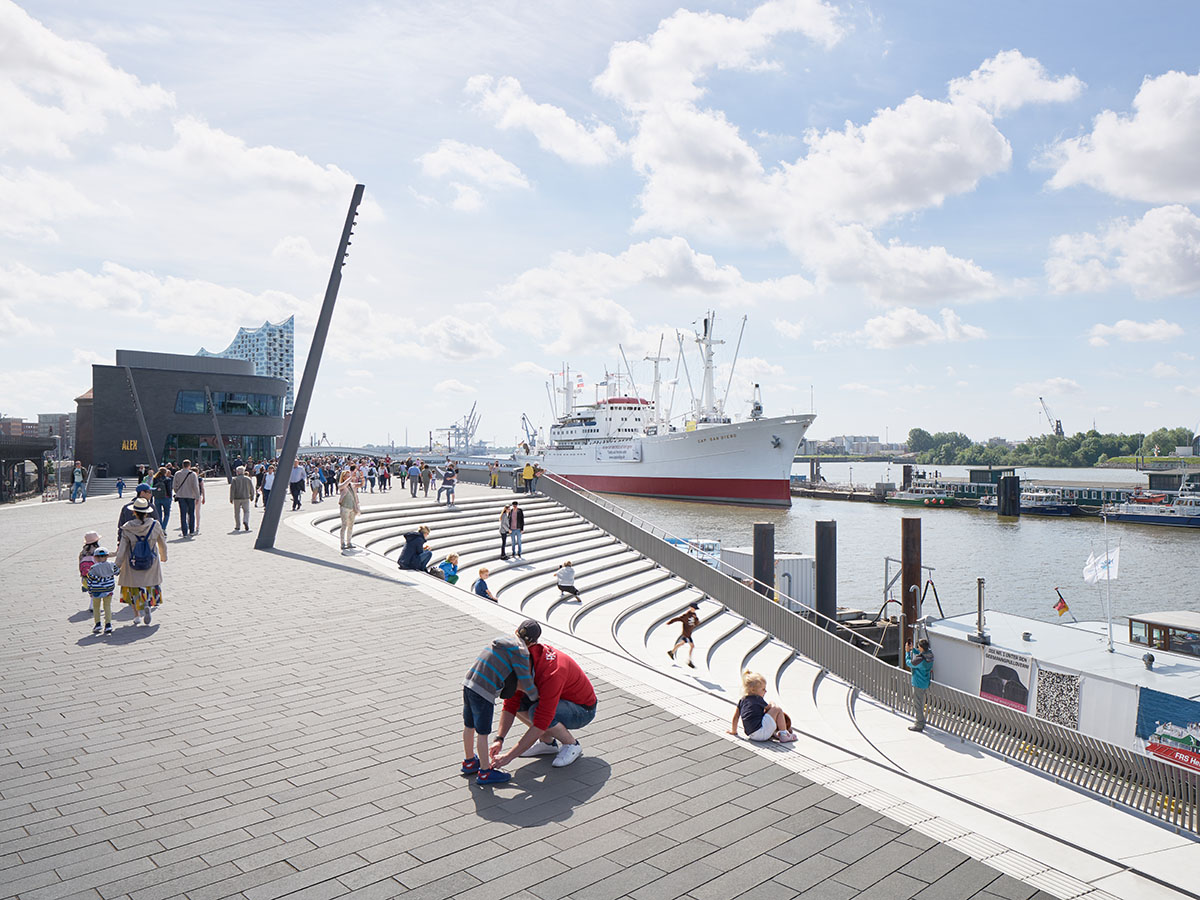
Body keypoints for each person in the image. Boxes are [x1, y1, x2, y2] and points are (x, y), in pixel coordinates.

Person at [490, 619, 597, 770]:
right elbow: (510, 704)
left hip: (583, 710)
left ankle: (571, 745)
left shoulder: (551, 673)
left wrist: (509, 757)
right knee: (520, 703)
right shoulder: (522, 663)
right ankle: (547, 743)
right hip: (559, 700)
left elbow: (542, 721)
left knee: (537, 713)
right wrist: (499, 739)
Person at [461, 632, 539, 785]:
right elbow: (524, 679)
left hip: (468, 682)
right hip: (484, 691)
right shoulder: (521, 651)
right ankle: (485, 772)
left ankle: (469, 762)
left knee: (469, 725)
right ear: (532, 641)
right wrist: (535, 696)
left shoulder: (501, 640)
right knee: (482, 733)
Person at [115, 496, 168, 626]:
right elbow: (162, 543)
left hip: (132, 561)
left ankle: (137, 615)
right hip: (150, 560)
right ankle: (148, 605)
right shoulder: (155, 525)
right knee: (149, 584)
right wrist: (163, 556)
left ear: (134, 512)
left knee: (133, 588)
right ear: (147, 512)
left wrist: (117, 565)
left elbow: (122, 549)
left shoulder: (127, 528)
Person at [729, 670, 797, 743]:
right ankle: (784, 734)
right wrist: (772, 703)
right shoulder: (758, 699)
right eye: (763, 689)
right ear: (753, 690)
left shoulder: (742, 700)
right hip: (761, 733)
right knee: (777, 709)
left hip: (751, 734)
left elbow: (736, 717)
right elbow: (770, 709)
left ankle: (774, 732)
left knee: (765, 714)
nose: (765, 691)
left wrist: (734, 731)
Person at [86, 547, 118, 635]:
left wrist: (90, 591)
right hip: (108, 589)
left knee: (96, 607)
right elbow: (117, 572)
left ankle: (98, 624)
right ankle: (108, 624)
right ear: (107, 556)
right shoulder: (111, 564)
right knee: (107, 606)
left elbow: (90, 580)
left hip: (97, 590)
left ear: (95, 557)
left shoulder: (93, 568)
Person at [905, 638, 934, 732]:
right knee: (921, 702)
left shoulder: (920, 659)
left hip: (918, 683)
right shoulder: (930, 655)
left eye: (918, 647)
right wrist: (913, 649)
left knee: (917, 704)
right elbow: (921, 653)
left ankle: (919, 724)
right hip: (925, 682)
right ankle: (922, 721)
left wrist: (907, 653)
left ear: (921, 647)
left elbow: (909, 663)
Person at [173, 459, 203, 538]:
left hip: (181, 496)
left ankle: (184, 532)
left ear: (182, 465)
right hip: (191, 496)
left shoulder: (177, 473)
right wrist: (197, 496)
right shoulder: (193, 474)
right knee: (191, 513)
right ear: (189, 466)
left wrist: (178, 491)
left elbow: (174, 486)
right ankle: (192, 531)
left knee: (183, 514)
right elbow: (195, 486)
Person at [668, 602, 701, 668]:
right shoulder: (687, 615)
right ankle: (689, 661)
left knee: (682, 643)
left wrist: (696, 619)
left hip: (689, 633)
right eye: (694, 608)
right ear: (691, 608)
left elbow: (697, 623)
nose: (694, 610)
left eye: (695, 609)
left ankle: (672, 652)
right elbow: (679, 618)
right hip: (686, 634)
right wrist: (671, 621)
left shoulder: (694, 615)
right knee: (692, 646)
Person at [338, 470, 360, 551]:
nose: (348, 477)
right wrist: (350, 478)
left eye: (349, 475)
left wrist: (362, 478)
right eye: (347, 476)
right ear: (343, 477)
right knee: (344, 525)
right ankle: (342, 543)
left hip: (352, 507)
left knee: (351, 525)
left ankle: (349, 542)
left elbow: (360, 485)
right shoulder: (341, 485)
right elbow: (343, 485)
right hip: (345, 507)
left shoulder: (352, 485)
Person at [79, 531, 100, 608]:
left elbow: (80, 562)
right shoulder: (97, 550)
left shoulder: (83, 551)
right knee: (97, 589)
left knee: (90, 589)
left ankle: (92, 603)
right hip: (96, 573)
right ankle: (93, 604)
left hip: (86, 574)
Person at [230, 465, 255, 532]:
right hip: (246, 497)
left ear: (237, 472)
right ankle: (245, 520)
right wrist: (252, 496)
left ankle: (237, 526)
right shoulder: (248, 479)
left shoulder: (235, 479)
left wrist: (231, 498)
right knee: (246, 511)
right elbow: (252, 489)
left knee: (237, 512)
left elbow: (232, 490)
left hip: (237, 498)